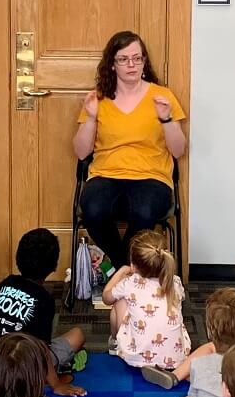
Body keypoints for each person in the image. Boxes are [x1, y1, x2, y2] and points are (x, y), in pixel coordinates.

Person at [74, 30, 188, 269]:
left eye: (137, 58)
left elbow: (178, 151)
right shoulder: (98, 99)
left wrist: (166, 120)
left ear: (144, 61)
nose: (131, 65)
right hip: (106, 174)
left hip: (152, 176)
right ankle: (126, 268)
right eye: (124, 59)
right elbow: (82, 152)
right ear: (112, 64)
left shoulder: (162, 96)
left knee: (145, 212)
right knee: (93, 210)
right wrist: (92, 118)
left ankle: (120, 270)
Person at [0, 228, 87, 397]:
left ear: (18, 258)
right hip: (21, 370)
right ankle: (38, 379)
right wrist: (57, 385)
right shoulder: (44, 300)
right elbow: (42, 348)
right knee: (77, 334)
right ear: (54, 265)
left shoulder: (7, 282)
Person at [105, 229, 190, 371]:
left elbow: (106, 297)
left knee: (119, 301)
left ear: (133, 265)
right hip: (177, 358)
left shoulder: (130, 283)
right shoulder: (174, 281)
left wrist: (121, 271)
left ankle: (115, 343)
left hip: (134, 356)